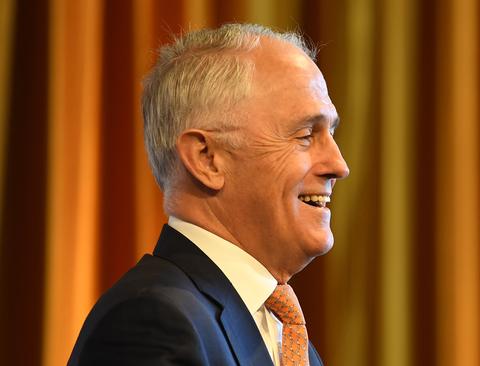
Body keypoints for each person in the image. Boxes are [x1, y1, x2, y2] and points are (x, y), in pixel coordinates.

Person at [68, 23, 349, 366]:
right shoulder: (151, 322)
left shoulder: (278, 327)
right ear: (207, 159)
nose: (338, 164)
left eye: (331, 133)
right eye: (305, 135)